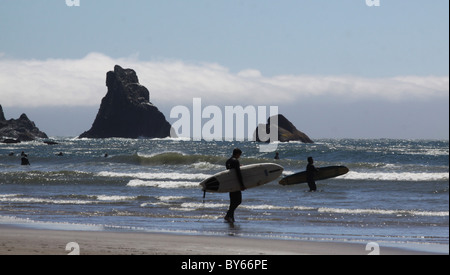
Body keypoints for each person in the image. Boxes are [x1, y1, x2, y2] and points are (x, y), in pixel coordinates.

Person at [224, 148, 246, 223]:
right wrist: (242, 185)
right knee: (238, 201)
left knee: (232, 202)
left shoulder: (228, 161)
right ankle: (228, 215)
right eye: (239, 155)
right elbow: (238, 174)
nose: (239, 156)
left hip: (230, 183)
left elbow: (231, 171)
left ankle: (231, 218)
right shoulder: (235, 161)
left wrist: (238, 166)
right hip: (236, 183)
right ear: (237, 154)